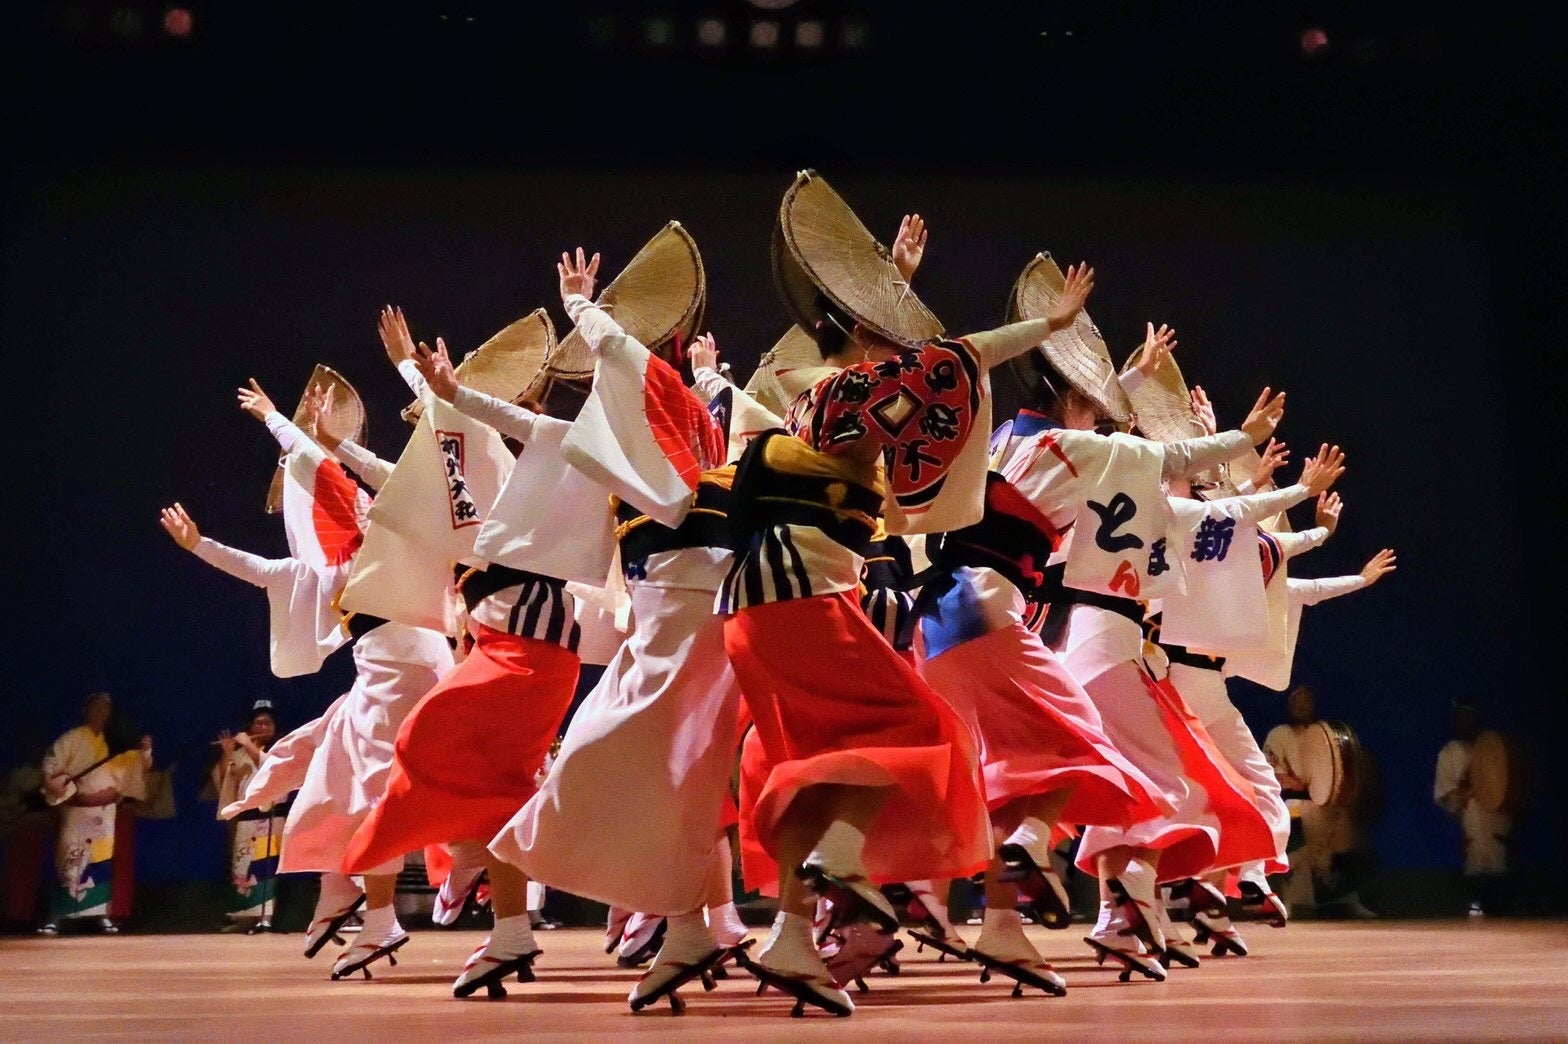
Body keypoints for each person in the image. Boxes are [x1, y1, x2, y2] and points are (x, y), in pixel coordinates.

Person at [38, 692, 152, 934]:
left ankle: (101, 914)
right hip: (77, 809)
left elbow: (134, 766)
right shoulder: (73, 738)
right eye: (97, 707)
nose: (102, 712)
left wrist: (145, 752)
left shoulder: (112, 742)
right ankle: (56, 917)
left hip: (104, 811)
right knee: (69, 860)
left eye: (106, 708)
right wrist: (52, 783)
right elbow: (51, 764)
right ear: (86, 710)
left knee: (100, 861)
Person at [1263, 684, 1376, 920]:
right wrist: (1296, 784)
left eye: (1307, 700)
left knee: (1346, 825)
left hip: (1324, 801)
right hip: (1292, 801)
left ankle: (1347, 898)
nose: (1302, 705)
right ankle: (1292, 901)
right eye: (1297, 701)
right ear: (1290, 705)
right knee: (1301, 823)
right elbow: (1271, 772)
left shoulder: (1324, 735)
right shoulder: (1279, 734)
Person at [212, 699, 284, 932]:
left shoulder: (280, 749)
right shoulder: (241, 752)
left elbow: (271, 770)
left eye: (268, 723)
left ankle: (265, 917)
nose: (263, 728)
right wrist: (227, 753)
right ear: (250, 727)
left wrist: (250, 747)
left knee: (265, 867)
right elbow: (224, 782)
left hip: (270, 817)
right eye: (259, 723)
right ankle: (244, 917)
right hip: (246, 818)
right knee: (242, 867)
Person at [1434, 700, 1511, 915]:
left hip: (1494, 822)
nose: (1463, 722)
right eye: (1459, 717)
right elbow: (1447, 795)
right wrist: (1467, 787)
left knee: (1498, 871)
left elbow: (1505, 785)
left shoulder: (1491, 748)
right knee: (1475, 871)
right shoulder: (1450, 752)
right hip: (1469, 822)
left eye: (1468, 717)